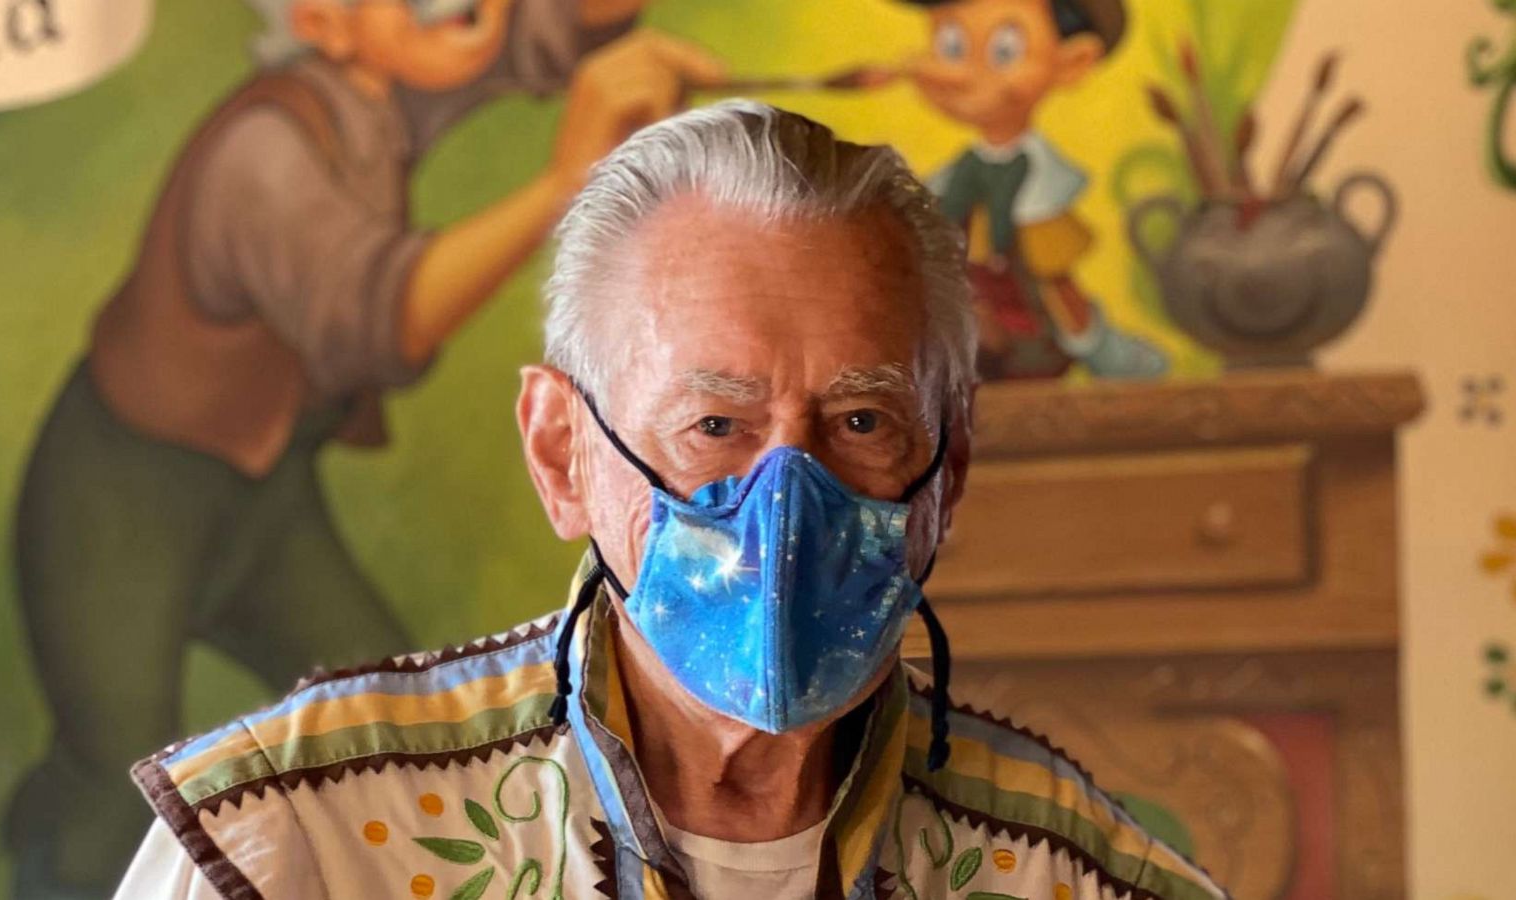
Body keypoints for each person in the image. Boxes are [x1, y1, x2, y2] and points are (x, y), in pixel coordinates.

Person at [113, 102, 1225, 900]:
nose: (786, 509)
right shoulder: (287, 849)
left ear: (949, 477)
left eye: (860, 424)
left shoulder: (1071, 874)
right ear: (561, 455)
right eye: (714, 429)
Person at [6, 1, 722, 896]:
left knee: (390, 732)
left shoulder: (386, 86)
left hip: (262, 495)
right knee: (108, 771)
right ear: (325, 21)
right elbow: (379, 320)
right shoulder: (261, 153)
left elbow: (541, 33)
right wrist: (564, 180)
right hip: (119, 503)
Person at [901, 0, 1167, 380]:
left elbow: (1057, 285)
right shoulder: (953, 177)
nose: (959, 74)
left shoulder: (1037, 189)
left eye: (1003, 51)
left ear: (1072, 62)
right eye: (952, 46)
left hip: (1027, 339)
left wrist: (1100, 350)